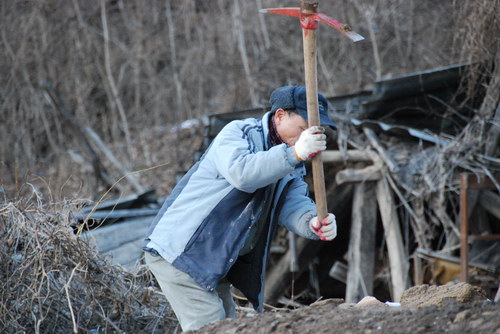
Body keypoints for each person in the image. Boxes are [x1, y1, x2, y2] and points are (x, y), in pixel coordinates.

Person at [143, 85, 337, 331]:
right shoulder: (238, 133)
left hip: (215, 257)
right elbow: (243, 174)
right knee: (211, 326)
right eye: (302, 128)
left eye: (311, 131)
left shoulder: (291, 162)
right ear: (279, 116)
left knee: (227, 325)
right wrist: (295, 153)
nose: (304, 136)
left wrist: (312, 222)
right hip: (182, 250)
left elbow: (292, 203)